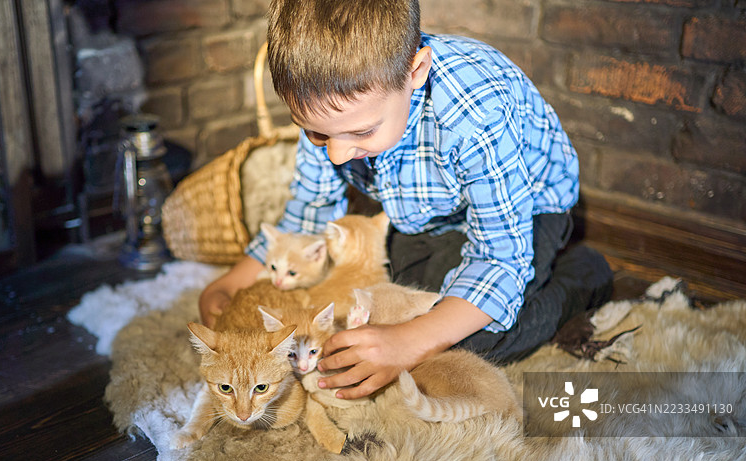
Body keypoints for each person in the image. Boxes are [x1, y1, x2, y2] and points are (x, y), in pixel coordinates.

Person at [198, 0, 613, 400]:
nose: (336, 154)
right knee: (386, 301)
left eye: (361, 133)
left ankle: (582, 275)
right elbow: (310, 211)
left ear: (415, 72)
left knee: (459, 347)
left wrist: (411, 342)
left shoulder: (475, 114)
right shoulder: (328, 114)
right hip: (429, 215)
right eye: (317, 135)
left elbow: (499, 259)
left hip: (528, 210)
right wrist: (232, 282)